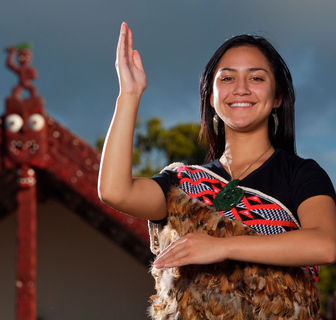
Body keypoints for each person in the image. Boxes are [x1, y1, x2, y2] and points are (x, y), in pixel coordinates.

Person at [98, 21, 336, 314]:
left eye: (257, 78)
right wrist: (129, 95)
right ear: (211, 97)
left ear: (278, 98)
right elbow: (115, 191)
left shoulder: (302, 174)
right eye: (226, 79)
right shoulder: (185, 182)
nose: (241, 89)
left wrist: (222, 246)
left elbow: (326, 244)